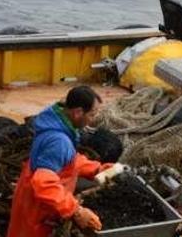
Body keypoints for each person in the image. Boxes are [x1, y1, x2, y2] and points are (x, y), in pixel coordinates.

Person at [7, 86, 113, 237]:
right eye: (92, 114)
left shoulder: (57, 122)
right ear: (77, 113)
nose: (93, 119)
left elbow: (69, 159)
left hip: (29, 197)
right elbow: (43, 182)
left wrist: (98, 169)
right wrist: (76, 211)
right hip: (38, 211)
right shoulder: (58, 141)